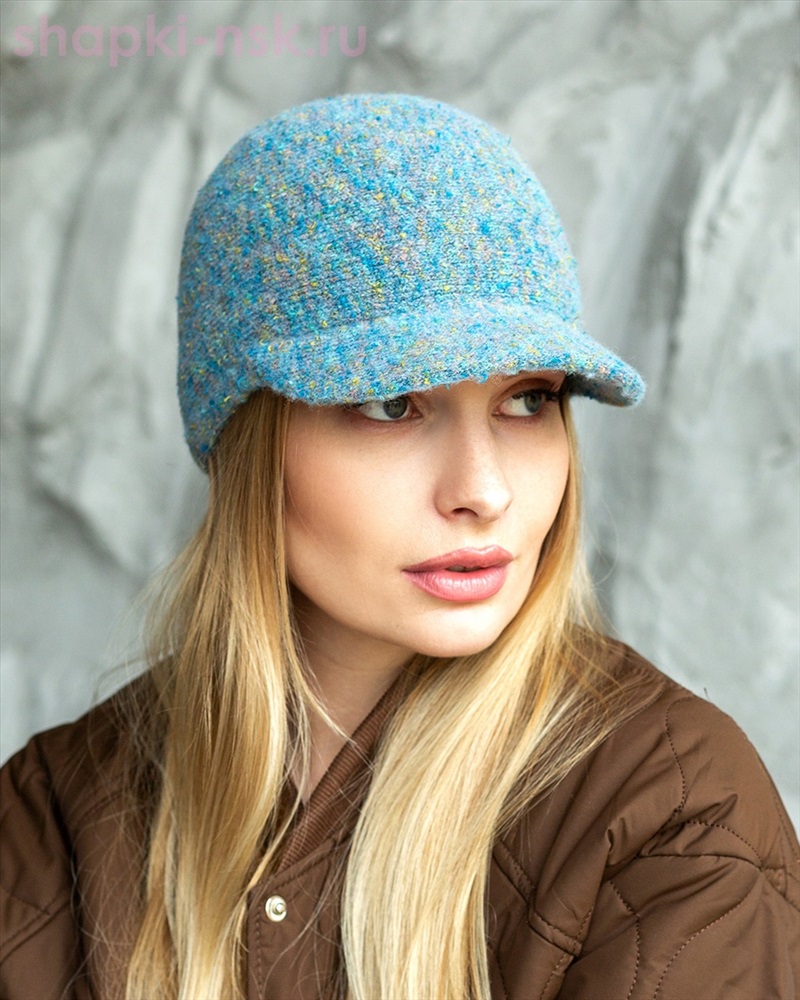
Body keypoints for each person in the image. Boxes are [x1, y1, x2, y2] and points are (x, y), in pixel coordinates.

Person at [0, 93, 797, 1000]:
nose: (484, 491)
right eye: (391, 404)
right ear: (245, 441)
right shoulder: (51, 822)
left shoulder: (668, 817)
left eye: (528, 399)